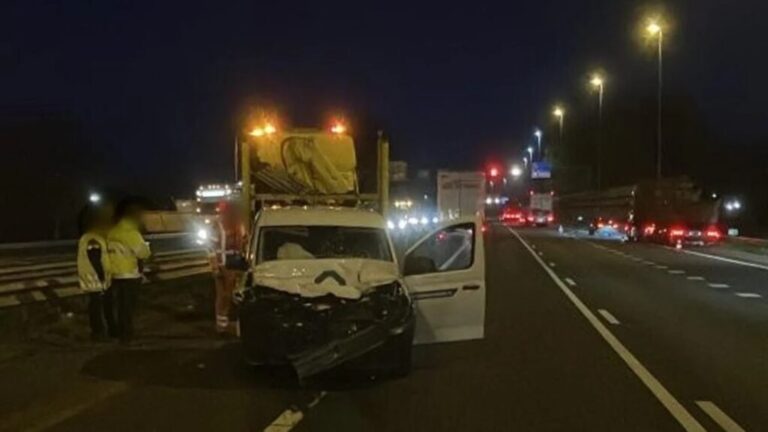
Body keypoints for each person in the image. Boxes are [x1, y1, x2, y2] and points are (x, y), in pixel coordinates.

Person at [107, 199, 151, 344]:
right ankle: (127, 336)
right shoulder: (131, 233)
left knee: (120, 306)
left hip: (115, 274)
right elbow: (143, 253)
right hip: (130, 274)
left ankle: (120, 333)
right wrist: (146, 247)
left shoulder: (112, 232)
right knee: (128, 307)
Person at [77, 203, 116, 341]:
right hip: (97, 280)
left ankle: (99, 331)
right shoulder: (93, 238)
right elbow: (95, 259)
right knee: (99, 308)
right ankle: (100, 332)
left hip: (93, 279)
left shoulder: (87, 237)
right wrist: (102, 278)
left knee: (95, 306)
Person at [210, 202, 245, 335]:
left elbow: (244, 242)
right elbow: (211, 247)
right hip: (224, 264)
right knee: (223, 295)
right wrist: (214, 266)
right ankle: (222, 324)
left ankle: (227, 323)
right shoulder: (218, 225)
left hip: (234, 264)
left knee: (231, 295)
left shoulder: (237, 225)